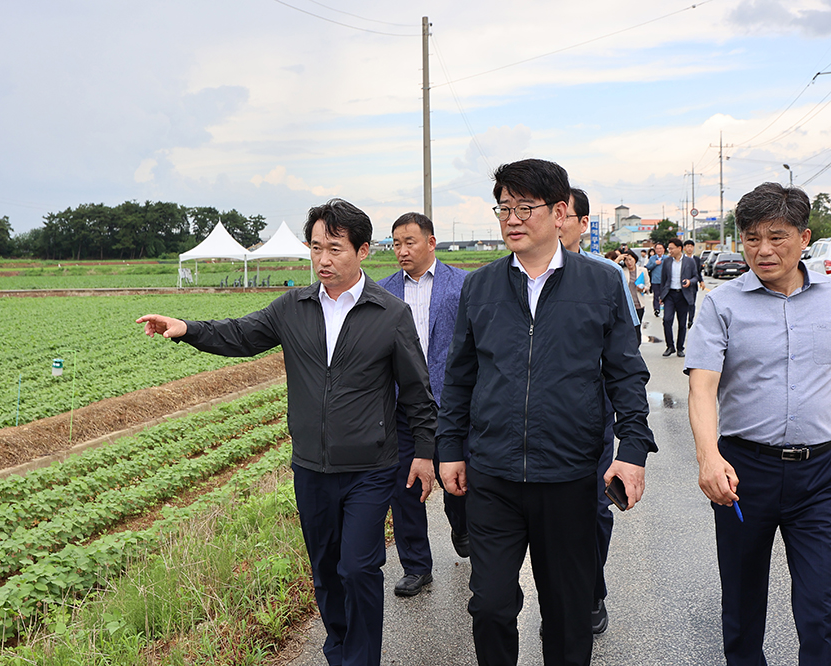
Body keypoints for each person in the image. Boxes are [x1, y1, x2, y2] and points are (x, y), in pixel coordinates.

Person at [137, 198, 437, 666]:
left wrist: (425, 453)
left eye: (335, 248)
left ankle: (360, 659)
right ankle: (338, 648)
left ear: (361, 251)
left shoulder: (389, 313)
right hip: (311, 468)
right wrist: (187, 327)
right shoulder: (293, 306)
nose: (323, 259)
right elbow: (240, 335)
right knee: (326, 571)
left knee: (359, 568)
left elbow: (417, 391)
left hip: (370, 467)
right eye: (316, 248)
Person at [437, 159, 657, 666]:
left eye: (524, 207)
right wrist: (449, 449)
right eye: (504, 207)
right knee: (490, 605)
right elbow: (460, 377)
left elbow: (626, 374)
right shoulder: (481, 286)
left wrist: (633, 451)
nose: (511, 218)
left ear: (560, 213)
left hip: (570, 477)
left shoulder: (600, 285)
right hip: (494, 475)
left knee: (567, 612)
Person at [685, 182, 831, 666]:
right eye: (751, 238)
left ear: (804, 237)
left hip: (821, 476)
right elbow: (702, 387)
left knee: (821, 610)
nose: (763, 249)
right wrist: (709, 458)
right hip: (745, 473)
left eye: (777, 236)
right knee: (744, 606)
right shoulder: (722, 304)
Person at [560, 187, 642, 635]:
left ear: (580, 222)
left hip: (592, 413)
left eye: (564, 215)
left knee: (593, 507)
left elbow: (624, 354)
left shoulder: (606, 275)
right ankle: (561, 598)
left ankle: (591, 591)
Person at [378, 212, 469, 597]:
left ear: (431, 242)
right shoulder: (381, 291)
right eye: (396, 243)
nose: (401, 251)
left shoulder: (463, 284)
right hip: (402, 405)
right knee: (406, 485)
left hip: (453, 402)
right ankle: (416, 565)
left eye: (409, 242)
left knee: (460, 480)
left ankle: (463, 529)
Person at [659, 237, 699, 357]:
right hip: (670, 295)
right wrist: (662, 295)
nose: (669, 250)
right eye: (669, 248)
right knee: (667, 320)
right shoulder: (667, 261)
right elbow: (663, 280)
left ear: (679, 248)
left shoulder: (689, 262)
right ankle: (670, 346)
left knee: (682, 323)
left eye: (671, 248)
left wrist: (690, 282)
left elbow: (696, 277)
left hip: (683, 295)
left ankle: (680, 347)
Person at [619, 250, 649, 343]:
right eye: (626, 260)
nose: (629, 262)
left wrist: (643, 289)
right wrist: (618, 259)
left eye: (630, 260)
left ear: (635, 260)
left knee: (637, 327)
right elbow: (611, 266)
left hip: (638, 304)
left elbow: (648, 285)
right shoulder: (622, 271)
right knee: (627, 327)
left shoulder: (642, 270)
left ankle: (636, 346)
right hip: (626, 304)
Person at [646, 242, 665, 315]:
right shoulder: (652, 258)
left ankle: (665, 308)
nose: (659, 250)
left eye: (660, 248)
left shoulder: (667, 258)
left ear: (663, 249)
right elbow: (648, 267)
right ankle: (656, 309)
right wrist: (655, 263)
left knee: (665, 295)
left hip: (664, 281)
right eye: (657, 248)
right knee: (656, 296)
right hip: (655, 280)